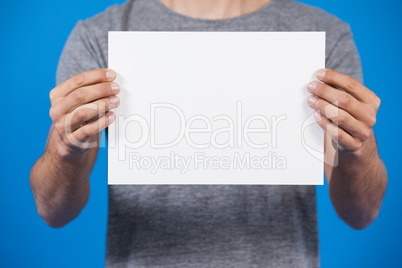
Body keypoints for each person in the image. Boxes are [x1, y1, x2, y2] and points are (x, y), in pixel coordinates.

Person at [30, 0, 388, 267]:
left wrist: (360, 149)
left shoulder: (323, 35)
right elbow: (52, 211)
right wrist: (64, 147)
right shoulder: (99, 35)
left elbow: (362, 213)